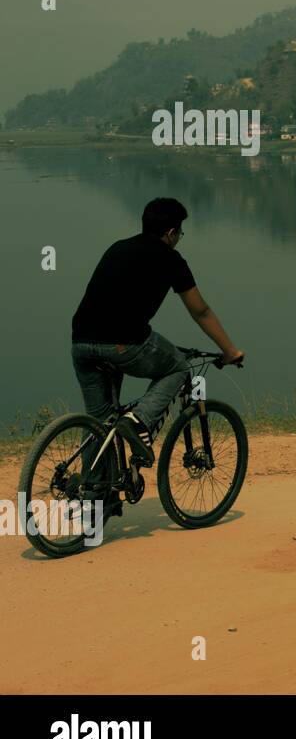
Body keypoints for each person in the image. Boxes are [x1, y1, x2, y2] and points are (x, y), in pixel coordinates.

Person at [70, 198, 244, 515]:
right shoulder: (171, 260)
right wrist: (230, 350)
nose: (180, 237)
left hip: (81, 341)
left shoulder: (117, 247)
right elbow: (200, 311)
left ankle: (95, 496)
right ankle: (139, 423)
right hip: (124, 343)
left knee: (100, 421)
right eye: (180, 232)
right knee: (177, 366)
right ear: (171, 232)